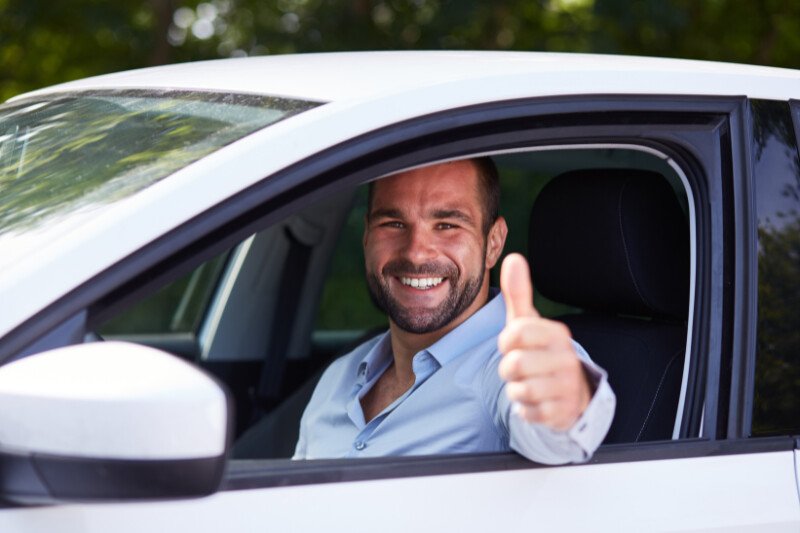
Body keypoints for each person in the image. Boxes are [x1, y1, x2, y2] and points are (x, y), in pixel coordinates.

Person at [293, 157, 615, 463]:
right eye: (393, 223)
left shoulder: (507, 368)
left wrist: (567, 402)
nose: (416, 253)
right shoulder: (339, 377)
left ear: (493, 243)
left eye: (447, 225)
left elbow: (557, 430)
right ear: (367, 236)